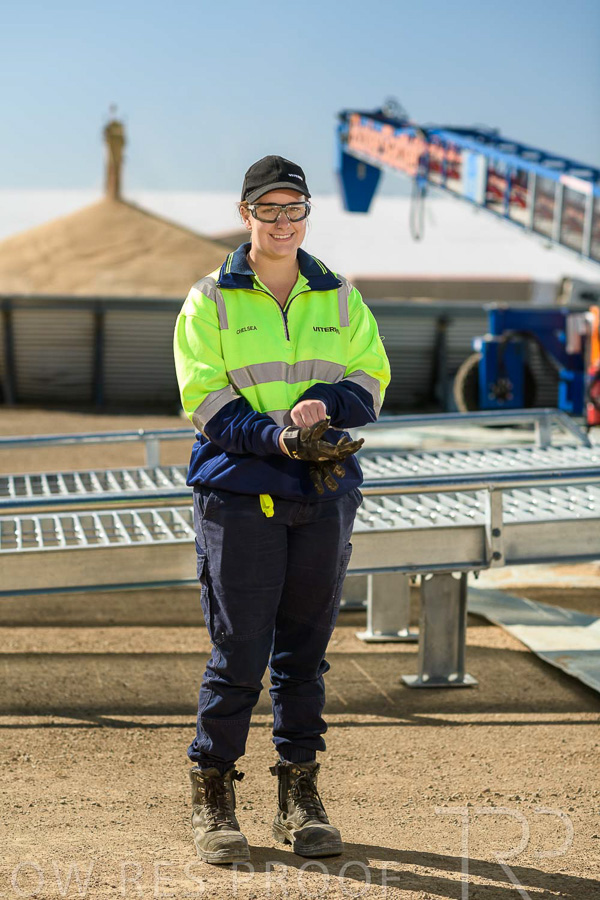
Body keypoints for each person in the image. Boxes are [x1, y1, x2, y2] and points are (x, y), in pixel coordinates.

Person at [173, 155, 390, 865]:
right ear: (246, 215)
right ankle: (214, 794)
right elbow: (206, 400)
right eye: (268, 209)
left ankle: (300, 797)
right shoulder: (210, 300)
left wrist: (326, 405)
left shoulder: (339, 296)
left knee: (304, 652)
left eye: (294, 209)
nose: (282, 222)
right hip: (240, 496)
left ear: (305, 215)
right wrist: (278, 438)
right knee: (240, 649)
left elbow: (372, 377)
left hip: (321, 494)